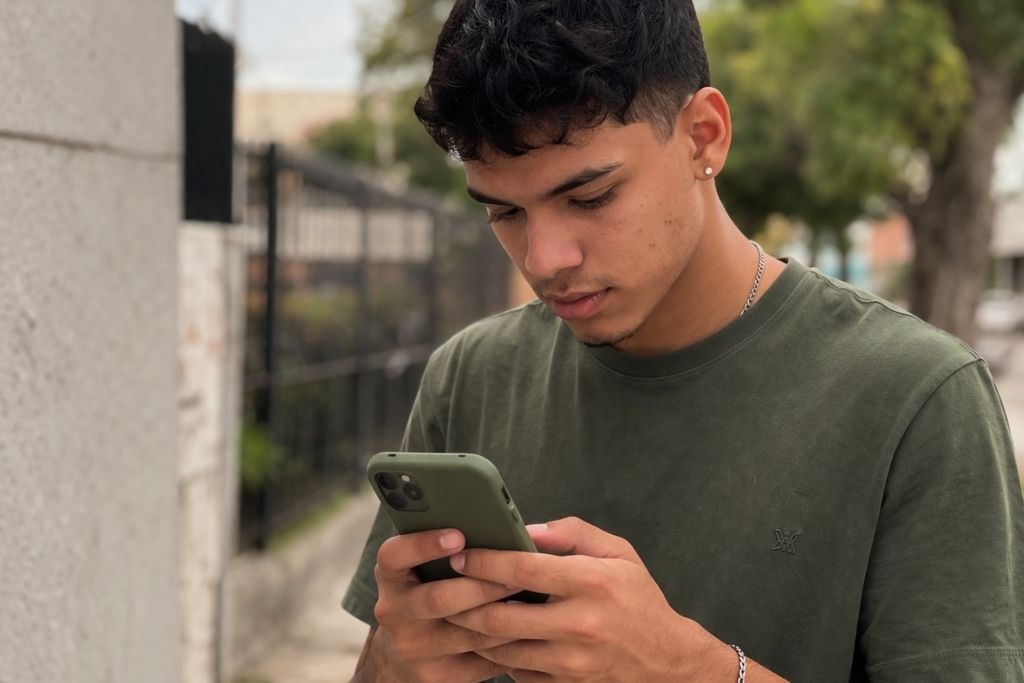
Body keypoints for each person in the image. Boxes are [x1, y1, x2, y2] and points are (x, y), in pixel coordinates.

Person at [342, 1, 1024, 681]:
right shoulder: (471, 375)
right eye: (505, 211)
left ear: (704, 136)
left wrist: (685, 667)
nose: (545, 258)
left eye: (591, 197)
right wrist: (398, 659)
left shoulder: (918, 398)